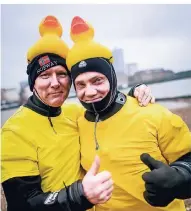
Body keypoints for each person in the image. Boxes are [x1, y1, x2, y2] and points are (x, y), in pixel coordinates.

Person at [1, 16, 155, 211]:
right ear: (33, 83)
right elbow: (22, 205)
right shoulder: (14, 132)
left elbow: (106, 101)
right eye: (45, 75)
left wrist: (135, 92)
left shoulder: (75, 112)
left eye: (62, 74)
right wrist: (79, 194)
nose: (55, 83)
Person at [66, 16, 191, 211]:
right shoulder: (76, 122)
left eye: (97, 81)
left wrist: (180, 177)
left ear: (112, 79)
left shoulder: (151, 112)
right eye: (80, 85)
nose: (89, 91)